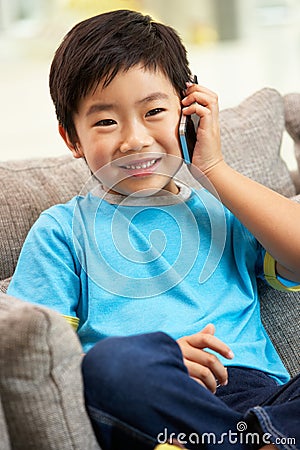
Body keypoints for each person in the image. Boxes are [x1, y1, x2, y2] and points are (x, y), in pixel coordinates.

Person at [7, 9, 300, 450]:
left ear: (186, 114)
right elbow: (44, 359)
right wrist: (163, 356)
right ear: (72, 138)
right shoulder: (62, 230)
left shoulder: (224, 207)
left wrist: (214, 168)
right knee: (112, 364)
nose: (134, 139)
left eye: (154, 112)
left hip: (259, 401)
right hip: (152, 399)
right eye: (106, 121)